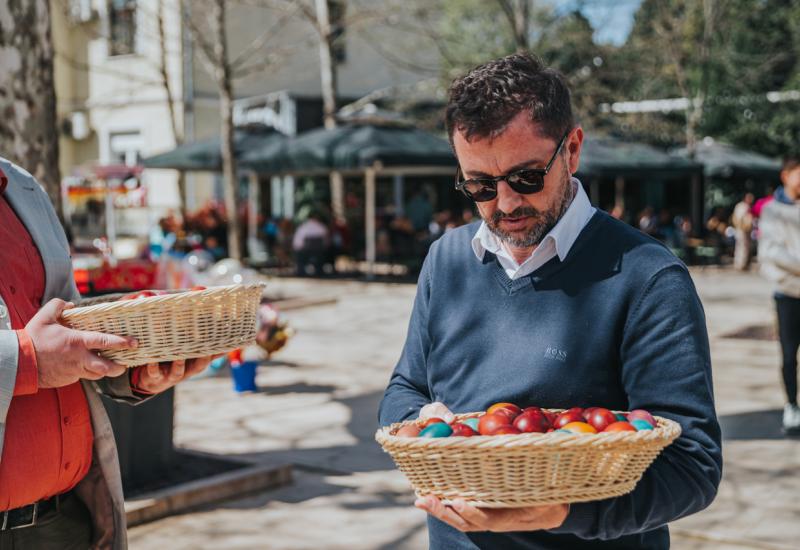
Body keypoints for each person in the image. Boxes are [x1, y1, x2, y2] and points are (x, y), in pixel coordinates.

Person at [378, 54, 721, 549]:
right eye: (478, 184)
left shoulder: (648, 277)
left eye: (526, 177)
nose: (505, 203)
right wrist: (426, 426)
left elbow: (693, 465)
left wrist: (564, 512)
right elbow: (407, 385)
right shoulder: (445, 259)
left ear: (573, 149)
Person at [0, 158, 217, 549]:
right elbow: (38, 351)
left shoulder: (20, 185)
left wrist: (132, 369)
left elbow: (66, 323)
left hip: (67, 523)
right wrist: (27, 360)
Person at [758, 156, 800, 433]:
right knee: (788, 355)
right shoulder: (772, 211)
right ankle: (792, 405)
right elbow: (770, 253)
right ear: (786, 175)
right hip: (787, 294)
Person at [731, 193, 755, 270]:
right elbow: (739, 219)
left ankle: (743, 264)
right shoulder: (741, 206)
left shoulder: (747, 206)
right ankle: (740, 264)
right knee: (741, 247)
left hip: (746, 230)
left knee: (744, 247)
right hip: (741, 230)